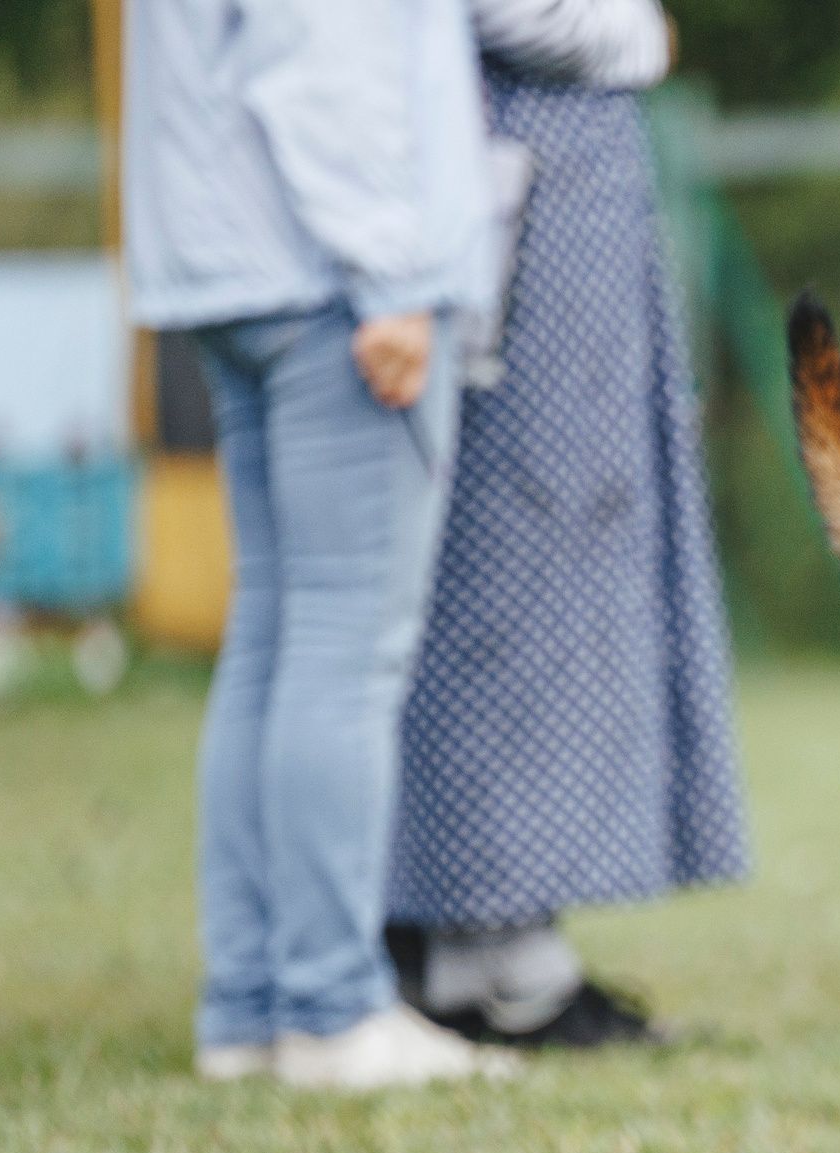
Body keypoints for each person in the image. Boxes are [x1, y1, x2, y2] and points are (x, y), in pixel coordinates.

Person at [126, 0, 518, 1086]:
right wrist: (395, 277)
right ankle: (331, 1006)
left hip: (232, 264)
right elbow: (331, 62)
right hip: (332, 278)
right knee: (347, 648)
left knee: (275, 634)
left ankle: (250, 1004)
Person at [383, 0, 751, 1047]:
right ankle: (492, 949)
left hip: (548, 182)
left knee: (542, 546)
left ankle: (483, 932)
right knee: (522, 548)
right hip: (525, 178)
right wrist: (636, 37)